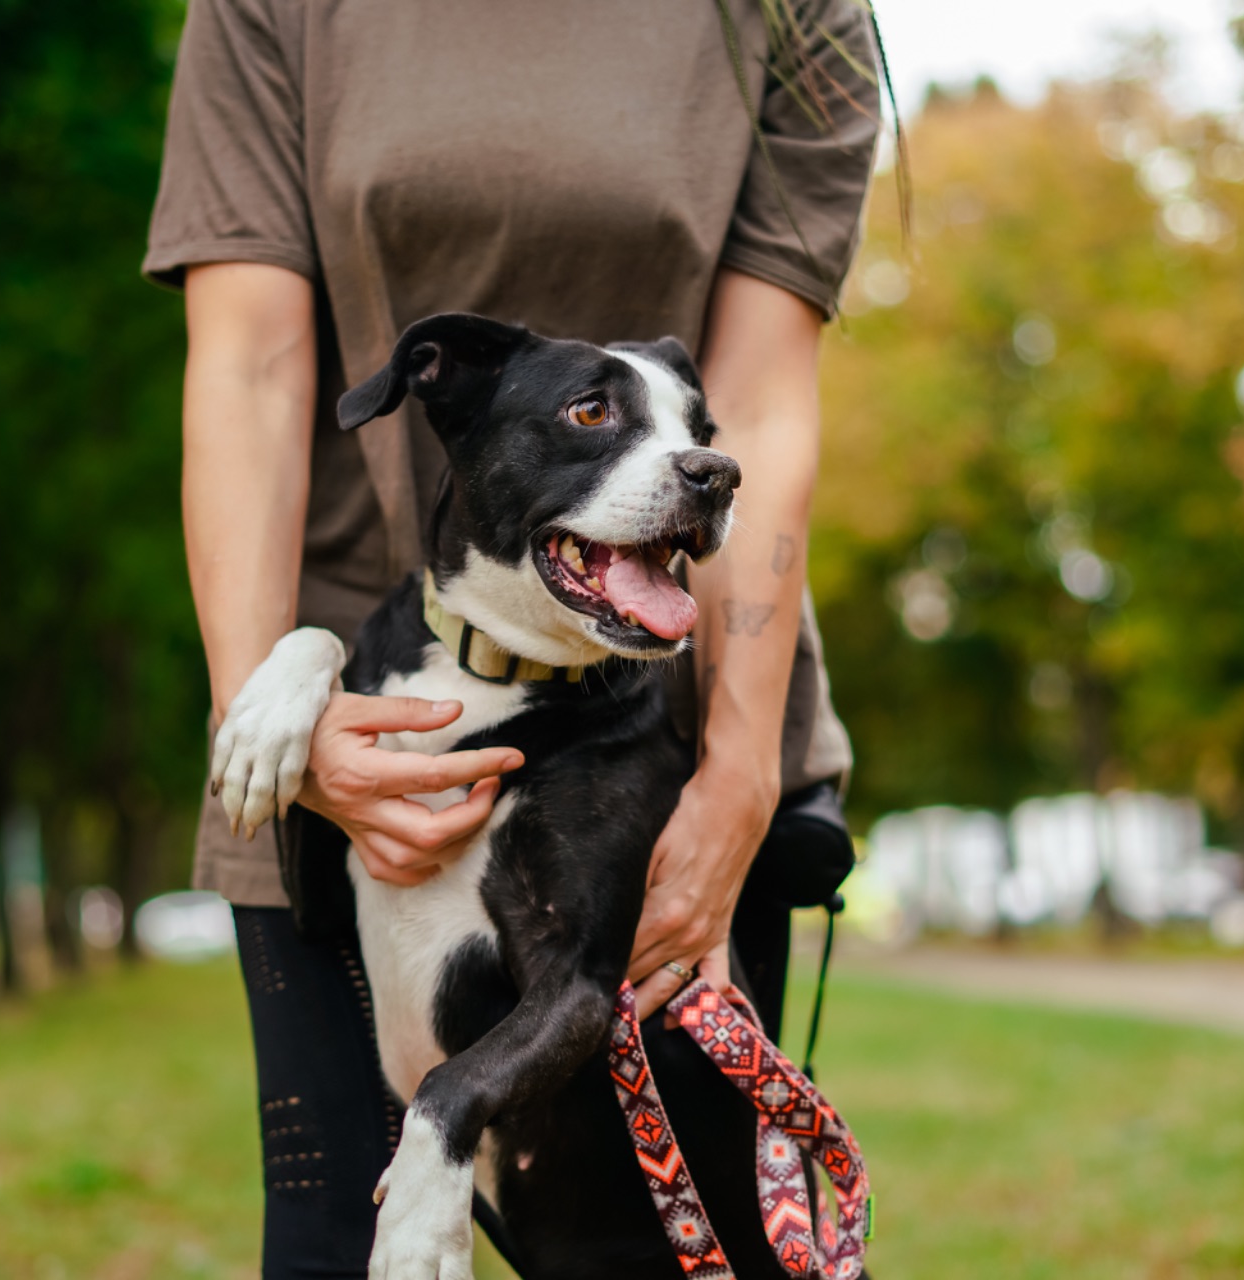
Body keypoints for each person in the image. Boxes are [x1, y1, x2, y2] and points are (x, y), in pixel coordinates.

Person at [143, 2, 880, 1273]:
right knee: (333, 1245)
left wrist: (739, 769)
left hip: (667, 746)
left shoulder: (789, 13)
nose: (690, 461)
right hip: (347, 702)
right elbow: (252, 362)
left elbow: (758, 401)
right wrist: (266, 717)